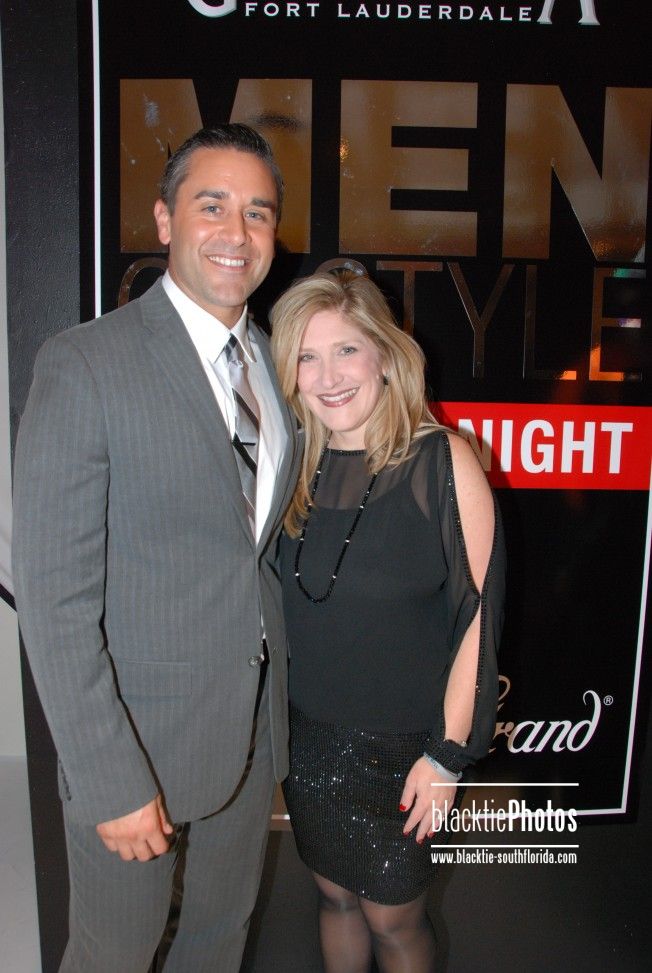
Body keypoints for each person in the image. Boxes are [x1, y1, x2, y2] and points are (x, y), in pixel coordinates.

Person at [12, 124, 301, 972]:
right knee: (114, 953)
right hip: (136, 739)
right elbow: (54, 598)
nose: (237, 232)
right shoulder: (85, 363)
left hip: (249, 731)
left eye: (258, 212)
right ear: (165, 219)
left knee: (219, 938)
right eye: (212, 205)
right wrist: (109, 776)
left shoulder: (274, 362)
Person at [270, 269, 505, 973]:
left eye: (346, 349)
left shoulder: (442, 460)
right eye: (306, 357)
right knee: (333, 898)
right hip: (310, 743)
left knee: (394, 919)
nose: (328, 376)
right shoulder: (292, 466)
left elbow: (479, 616)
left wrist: (447, 756)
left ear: (385, 354)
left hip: (405, 752)